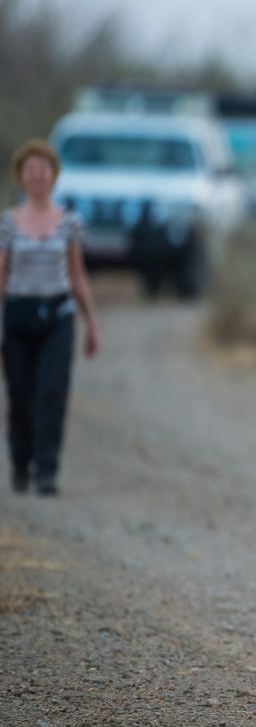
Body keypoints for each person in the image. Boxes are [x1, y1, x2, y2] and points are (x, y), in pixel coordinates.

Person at [1, 139, 100, 497]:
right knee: (20, 392)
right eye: (31, 169)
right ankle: (20, 462)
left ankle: (47, 469)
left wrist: (92, 324)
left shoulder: (70, 223)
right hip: (18, 313)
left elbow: (77, 275)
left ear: (54, 175)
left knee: (52, 392)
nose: (38, 175)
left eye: (44, 169)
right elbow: (1, 276)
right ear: (21, 177)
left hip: (57, 315)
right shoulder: (8, 224)